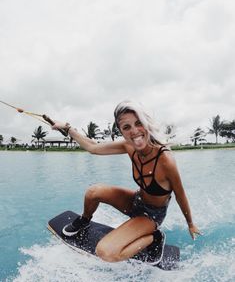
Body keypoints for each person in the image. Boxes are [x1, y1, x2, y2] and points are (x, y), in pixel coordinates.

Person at [52, 100, 200, 264]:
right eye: (127, 127)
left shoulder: (165, 160)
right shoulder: (128, 146)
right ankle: (84, 221)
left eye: (138, 123)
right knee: (93, 192)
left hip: (151, 216)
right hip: (136, 201)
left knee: (106, 253)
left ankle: (154, 238)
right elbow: (93, 147)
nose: (134, 131)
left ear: (146, 124)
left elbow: (180, 195)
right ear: (121, 131)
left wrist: (190, 224)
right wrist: (67, 128)